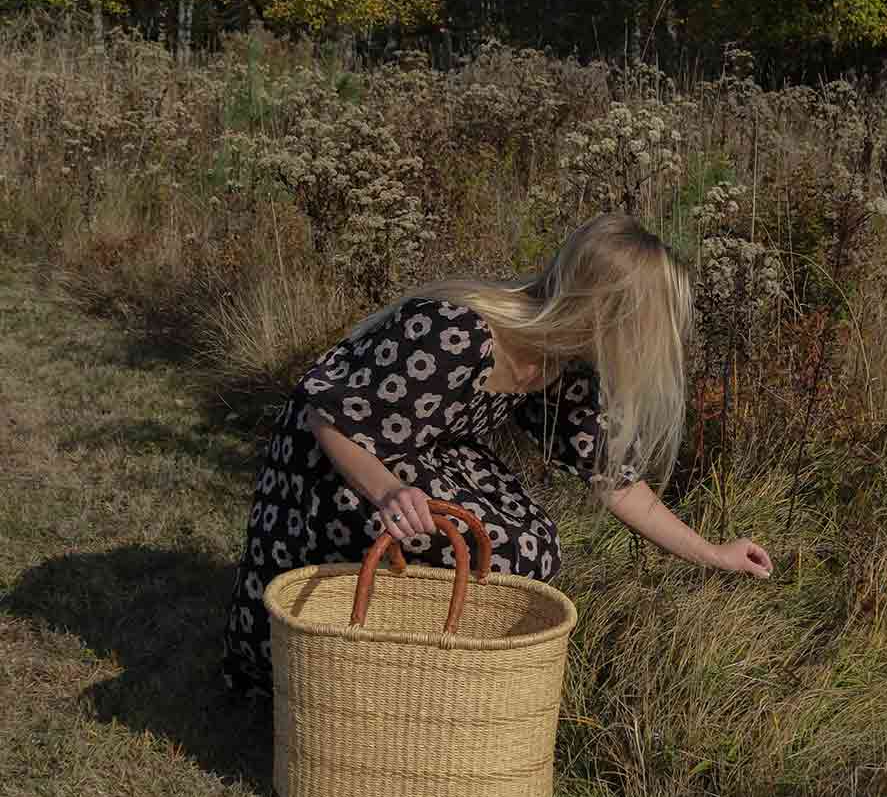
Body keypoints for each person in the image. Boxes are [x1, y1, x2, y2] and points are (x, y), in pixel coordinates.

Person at [221, 212, 773, 700]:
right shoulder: (458, 332)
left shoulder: (565, 360)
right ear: (607, 312)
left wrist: (712, 553)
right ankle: (359, 670)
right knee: (505, 552)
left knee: (535, 547)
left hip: (425, 452)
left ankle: (430, 675)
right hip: (336, 462)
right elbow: (328, 416)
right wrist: (387, 492)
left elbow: (614, 481)